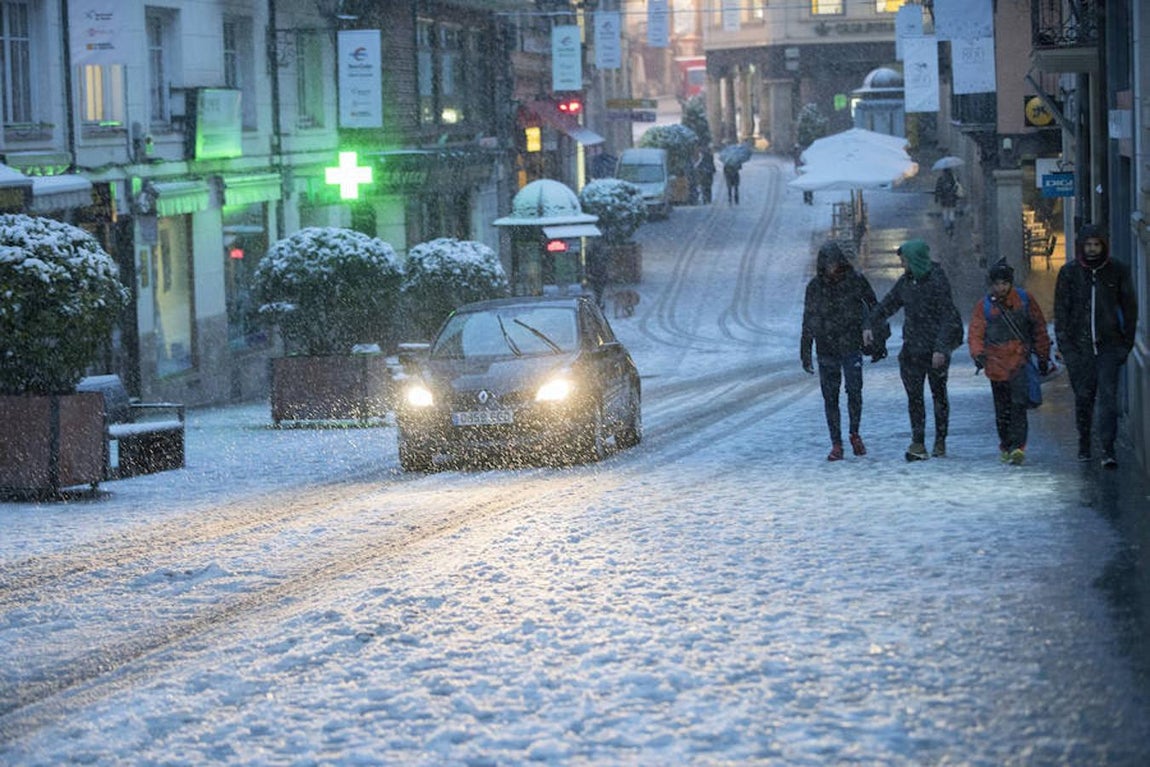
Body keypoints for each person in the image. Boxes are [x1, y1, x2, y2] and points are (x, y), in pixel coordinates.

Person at [864, 239, 965, 461]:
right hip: (913, 350)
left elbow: (948, 317)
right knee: (915, 398)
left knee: (939, 395)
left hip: (934, 351)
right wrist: (870, 323)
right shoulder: (907, 283)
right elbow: (888, 304)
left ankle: (940, 440)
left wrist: (940, 348)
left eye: (904, 260)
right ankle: (918, 442)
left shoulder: (937, 281)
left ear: (915, 260)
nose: (902, 264)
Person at [1053, 223, 1139, 467]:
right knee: (1083, 397)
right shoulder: (1069, 273)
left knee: (1108, 398)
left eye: (1096, 244)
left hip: (1109, 346)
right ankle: (1084, 441)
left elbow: (1130, 309)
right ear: (1081, 246)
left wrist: (1125, 345)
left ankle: (1108, 449)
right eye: (1088, 245)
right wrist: (1067, 348)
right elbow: (1061, 312)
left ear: (1103, 246)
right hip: (1079, 349)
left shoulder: (1117, 271)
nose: (1092, 249)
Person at [801, 241, 887, 461]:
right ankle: (836, 442)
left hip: (850, 344)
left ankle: (854, 432)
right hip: (826, 347)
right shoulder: (815, 287)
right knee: (830, 397)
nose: (831, 267)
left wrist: (875, 338)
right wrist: (805, 349)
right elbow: (808, 320)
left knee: (854, 391)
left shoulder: (854, 281)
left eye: (834, 262)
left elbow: (874, 308)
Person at [967, 260, 1053, 465]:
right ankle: (1007, 443)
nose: (1000, 288)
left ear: (1010, 283)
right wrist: (978, 354)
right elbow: (975, 332)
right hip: (996, 364)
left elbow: (1039, 328)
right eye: (997, 284)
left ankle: (1017, 445)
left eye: (1004, 283)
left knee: (1017, 405)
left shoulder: (1023, 300)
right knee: (1002, 408)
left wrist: (1042, 355)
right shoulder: (985, 306)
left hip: (1018, 361)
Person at [934, 168, 960, 236]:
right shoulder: (954, 178)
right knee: (951, 211)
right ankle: (951, 224)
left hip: (944, 199)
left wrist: (936, 198)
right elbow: (957, 187)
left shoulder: (941, 179)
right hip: (952, 199)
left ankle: (947, 226)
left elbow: (938, 189)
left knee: (945, 212)